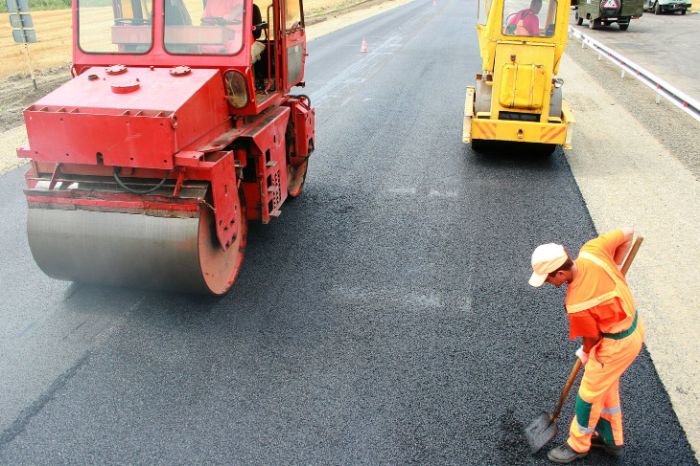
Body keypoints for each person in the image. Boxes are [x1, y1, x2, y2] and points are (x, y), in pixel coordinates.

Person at [528, 228, 644, 464]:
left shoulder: (577, 302)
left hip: (615, 345)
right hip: (633, 327)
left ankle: (578, 444)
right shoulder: (592, 251)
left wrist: (586, 352)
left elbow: (591, 339)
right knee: (605, 387)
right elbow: (629, 234)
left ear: (560, 273)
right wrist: (615, 270)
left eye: (549, 279)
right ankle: (612, 440)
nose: (549, 284)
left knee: (589, 395)